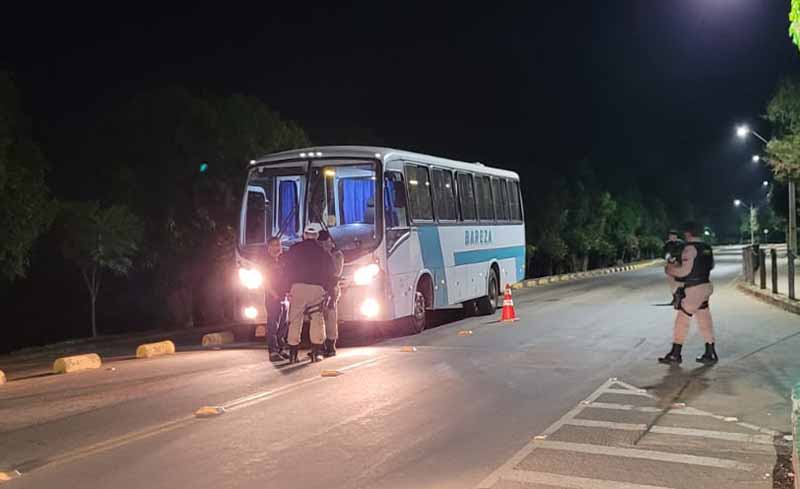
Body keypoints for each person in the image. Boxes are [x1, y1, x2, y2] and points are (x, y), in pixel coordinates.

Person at [658, 221, 717, 365]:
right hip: (705, 286)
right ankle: (710, 352)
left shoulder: (690, 249)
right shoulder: (707, 248)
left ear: (688, 233)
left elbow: (685, 271)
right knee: (704, 318)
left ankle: (675, 354)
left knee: (682, 319)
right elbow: (712, 266)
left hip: (693, 288)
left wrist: (670, 269)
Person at [282, 223, 336, 363]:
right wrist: (330, 292)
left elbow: (285, 270)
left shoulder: (294, 250)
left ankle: (293, 354)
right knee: (317, 319)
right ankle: (317, 352)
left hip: (297, 288)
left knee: (295, 320)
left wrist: (286, 289)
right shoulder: (324, 253)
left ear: (304, 235)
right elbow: (331, 275)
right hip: (317, 289)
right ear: (317, 236)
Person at [317, 230, 344, 357]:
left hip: (331, 288)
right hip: (321, 287)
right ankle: (323, 344)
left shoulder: (337, 254)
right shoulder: (323, 254)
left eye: (325, 242)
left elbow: (336, 273)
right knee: (320, 317)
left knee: (330, 317)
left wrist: (331, 292)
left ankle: (331, 344)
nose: (323, 245)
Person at [264, 237, 289, 362]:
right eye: (274, 245)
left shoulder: (282, 261)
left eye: (279, 244)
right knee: (273, 324)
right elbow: (265, 281)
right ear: (268, 248)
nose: (277, 247)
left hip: (284, 296)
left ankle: (281, 349)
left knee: (284, 324)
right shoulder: (266, 262)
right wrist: (273, 294)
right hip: (273, 297)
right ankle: (273, 351)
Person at [662, 230, 685, 305]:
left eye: (673, 236)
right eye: (670, 236)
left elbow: (684, 253)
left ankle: (681, 297)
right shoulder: (667, 244)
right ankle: (674, 298)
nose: (671, 237)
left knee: (680, 282)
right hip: (670, 265)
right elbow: (663, 253)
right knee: (672, 283)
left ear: (676, 236)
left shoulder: (681, 243)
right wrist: (667, 257)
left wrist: (676, 258)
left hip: (679, 264)